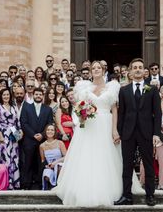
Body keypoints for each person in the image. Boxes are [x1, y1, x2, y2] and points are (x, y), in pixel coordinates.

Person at [55, 61, 136, 206]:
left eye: (99, 67)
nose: (96, 70)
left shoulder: (112, 87)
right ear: (91, 71)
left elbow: (115, 110)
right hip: (88, 126)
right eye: (94, 68)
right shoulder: (84, 88)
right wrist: (82, 116)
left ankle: (112, 189)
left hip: (106, 124)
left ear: (104, 70)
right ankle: (84, 190)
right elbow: (80, 108)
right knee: (87, 156)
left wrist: (114, 129)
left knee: (106, 156)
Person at [115, 57, 162, 207]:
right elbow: (121, 114)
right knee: (127, 166)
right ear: (130, 71)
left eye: (140, 67)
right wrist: (119, 132)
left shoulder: (153, 89)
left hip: (146, 133)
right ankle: (127, 196)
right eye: (134, 67)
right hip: (128, 133)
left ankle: (150, 195)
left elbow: (157, 113)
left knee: (148, 165)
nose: (137, 69)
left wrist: (156, 134)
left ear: (144, 71)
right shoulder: (123, 90)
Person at [20, 87, 54, 189]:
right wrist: (33, 134)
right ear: (33, 95)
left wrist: (42, 135)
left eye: (40, 94)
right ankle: (26, 184)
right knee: (28, 162)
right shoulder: (26, 107)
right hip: (29, 140)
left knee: (41, 162)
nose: (38, 96)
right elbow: (23, 123)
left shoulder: (48, 109)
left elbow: (49, 123)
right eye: (36, 94)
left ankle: (40, 184)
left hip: (43, 141)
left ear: (43, 96)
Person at [0, 87, 22, 190]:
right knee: (4, 157)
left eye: (7, 95)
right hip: (3, 135)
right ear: (1, 97)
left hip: (14, 135)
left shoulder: (14, 107)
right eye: (4, 95)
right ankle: (5, 183)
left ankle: (14, 183)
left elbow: (17, 121)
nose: (6, 96)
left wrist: (19, 132)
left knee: (14, 158)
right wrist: (0, 135)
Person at [40, 124, 67, 190]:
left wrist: (55, 163)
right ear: (45, 132)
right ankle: (50, 190)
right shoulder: (42, 146)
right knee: (46, 175)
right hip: (50, 166)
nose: (50, 131)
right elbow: (43, 160)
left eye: (52, 130)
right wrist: (47, 166)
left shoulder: (60, 143)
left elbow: (66, 157)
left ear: (55, 132)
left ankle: (60, 188)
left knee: (59, 167)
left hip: (60, 164)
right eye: (48, 130)